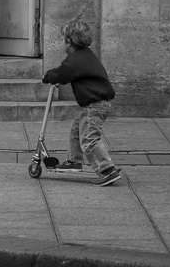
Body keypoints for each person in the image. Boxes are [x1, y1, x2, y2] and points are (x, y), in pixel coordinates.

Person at [42, 19, 121, 186]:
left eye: (62, 39)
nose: (61, 43)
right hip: (96, 103)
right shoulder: (86, 55)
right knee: (77, 130)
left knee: (89, 139)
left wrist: (48, 76)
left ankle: (107, 170)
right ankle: (74, 160)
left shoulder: (74, 60)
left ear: (68, 42)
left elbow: (62, 74)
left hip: (94, 105)